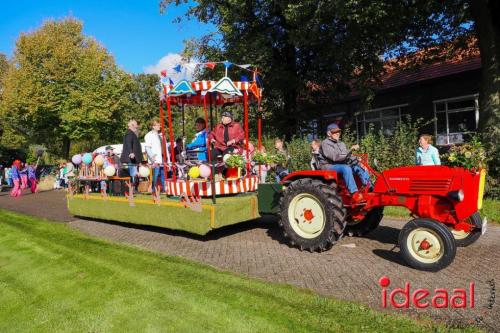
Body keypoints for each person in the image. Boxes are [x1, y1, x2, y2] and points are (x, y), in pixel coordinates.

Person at [318, 123, 370, 201]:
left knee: (358, 167)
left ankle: (368, 187)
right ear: (329, 133)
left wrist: (357, 160)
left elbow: (347, 156)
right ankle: (354, 193)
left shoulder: (341, 143)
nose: (338, 133)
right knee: (346, 168)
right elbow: (335, 157)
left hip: (340, 164)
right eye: (335, 132)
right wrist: (351, 149)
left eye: (338, 131)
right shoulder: (325, 143)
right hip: (328, 165)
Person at [144, 119, 165, 192]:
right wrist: (152, 157)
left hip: (161, 159)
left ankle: (164, 190)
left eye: (159, 125)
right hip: (155, 159)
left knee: (163, 175)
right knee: (155, 175)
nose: (159, 126)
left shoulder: (159, 135)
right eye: (158, 125)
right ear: (153, 126)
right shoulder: (149, 135)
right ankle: (153, 189)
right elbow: (147, 147)